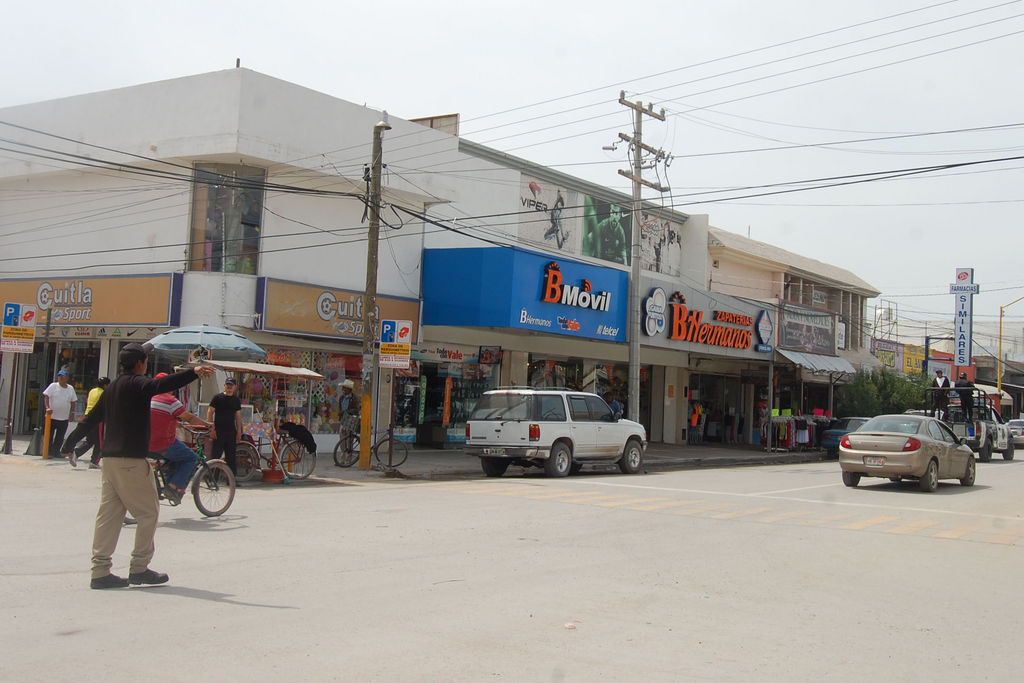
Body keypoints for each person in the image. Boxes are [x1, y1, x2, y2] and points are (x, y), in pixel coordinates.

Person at [60, 342, 214, 589]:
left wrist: (69, 443)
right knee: (149, 512)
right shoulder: (138, 384)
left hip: (109, 461)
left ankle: (100, 572)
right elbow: (160, 385)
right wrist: (192, 372)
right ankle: (139, 568)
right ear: (141, 363)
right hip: (130, 461)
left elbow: (90, 419)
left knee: (109, 516)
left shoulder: (111, 389)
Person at [149, 372, 211, 505]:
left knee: (173, 458)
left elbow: (157, 418)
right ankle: (172, 487)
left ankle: (168, 485)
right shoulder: (170, 400)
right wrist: (206, 424)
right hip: (162, 443)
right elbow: (188, 417)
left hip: (145, 443)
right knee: (191, 458)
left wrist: (176, 423)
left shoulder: (150, 398)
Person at [71, 376, 110, 468]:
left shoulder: (92, 391)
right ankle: (94, 461)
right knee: (99, 442)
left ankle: (76, 453)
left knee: (90, 440)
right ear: (105, 385)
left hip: (88, 417)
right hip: (97, 419)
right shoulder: (104, 393)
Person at [207, 377, 242, 477]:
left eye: (231, 385)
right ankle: (213, 479)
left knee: (231, 457)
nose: (229, 387)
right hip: (218, 432)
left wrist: (239, 431)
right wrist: (211, 429)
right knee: (215, 456)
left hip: (231, 432)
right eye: (228, 385)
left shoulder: (236, 400)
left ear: (235, 387)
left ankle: (231, 480)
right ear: (224, 385)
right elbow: (210, 412)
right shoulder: (217, 398)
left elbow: (238, 417)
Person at [43, 369, 77, 459]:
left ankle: (55, 452)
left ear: (67, 378)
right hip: (52, 417)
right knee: (49, 436)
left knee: (60, 437)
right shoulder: (53, 386)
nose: (61, 378)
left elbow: (73, 401)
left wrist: (72, 413)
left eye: (63, 377)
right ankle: (47, 452)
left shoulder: (70, 388)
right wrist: (47, 408)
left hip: (64, 418)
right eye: (59, 376)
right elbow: (46, 396)